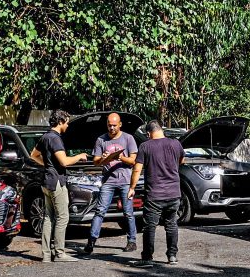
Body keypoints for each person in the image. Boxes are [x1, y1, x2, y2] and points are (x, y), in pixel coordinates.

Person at [30, 110, 88, 261]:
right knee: (63, 217)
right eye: (67, 122)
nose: (68, 125)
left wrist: (48, 166)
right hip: (56, 182)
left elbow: (33, 155)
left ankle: (46, 255)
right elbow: (64, 162)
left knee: (49, 217)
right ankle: (60, 253)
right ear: (61, 122)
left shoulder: (45, 136)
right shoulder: (55, 139)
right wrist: (79, 156)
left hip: (46, 181)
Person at [127, 120, 184, 266]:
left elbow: (137, 169)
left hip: (154, 195)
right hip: (174, 193)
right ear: (161, 130)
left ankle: (147, 258)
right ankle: (172, 256)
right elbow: (181, 160)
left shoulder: (145, 146)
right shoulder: (176, 144)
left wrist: (132, 188)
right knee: (171, 224)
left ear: (148, 133)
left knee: (149, 226)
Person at [83, 113, 138, 255]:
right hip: (108, 180)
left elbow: (134, 161)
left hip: (125, 180)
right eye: (109, 125)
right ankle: (91, 241)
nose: (112, 128)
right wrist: (103, 159)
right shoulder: (101, 139)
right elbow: (95, 161)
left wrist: (121, 157)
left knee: (128, 212)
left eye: (114, 125)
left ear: (120, 124)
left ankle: (132, 241)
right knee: (100, 211)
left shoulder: (128, 138)